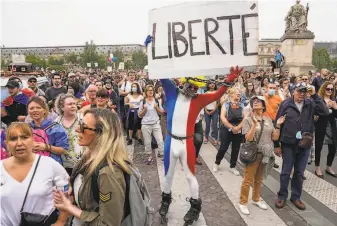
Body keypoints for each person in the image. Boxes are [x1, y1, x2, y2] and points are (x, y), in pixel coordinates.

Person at [53, 108, 131, 226]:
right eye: (79, 124)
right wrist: (73, 194)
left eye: (83, 127)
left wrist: (70, 208)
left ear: (102, 134)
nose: (77, 129)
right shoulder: (87, 157)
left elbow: (108, 223)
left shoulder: (108, 173)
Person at [0, 122, 69, 226]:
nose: (19, 143)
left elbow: (67, 194)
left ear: (33, 140)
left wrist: (61, 221)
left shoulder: (49, 164)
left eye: (24, 137)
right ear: (7, 144)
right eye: (13, 139)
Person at [274, 82, 329, 210]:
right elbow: (277, 122)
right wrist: (276, 144)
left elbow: (325, 111)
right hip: (288, 144)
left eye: (304, 91)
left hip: (305, 144)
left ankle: (296, 197)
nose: (302, 94)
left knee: (299, 173)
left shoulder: (311, 103)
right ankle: (282, 196)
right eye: (299, 91)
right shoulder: (286, 104)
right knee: (286, 172)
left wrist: (315, 94)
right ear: (293, 91)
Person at [239, 96, 285, 215]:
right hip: (254, 153)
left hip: (265, 154)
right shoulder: (248, 120)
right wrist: (254, 125)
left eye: (258, 101)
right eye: (253, 101)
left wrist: (278, 125)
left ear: (263, 106)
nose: (255, 102)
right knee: (248, 179)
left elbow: (274, 137)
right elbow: (248, 138)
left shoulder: (268, 119)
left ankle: (256, 199)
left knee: (259, 179)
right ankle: (242, 202)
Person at [214, 88, 246, 176]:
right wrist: (232, 127)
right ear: (231, 94)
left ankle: (232, 166)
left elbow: (245, 118)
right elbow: (223, 117)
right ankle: (217, 163)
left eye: (240, 93)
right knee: (223, 147)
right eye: (237, 92)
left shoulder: (242, 105)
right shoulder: (226, 104)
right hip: (226, 129)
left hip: (238, 129)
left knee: (236, 149)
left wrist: (238, 128)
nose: (239, 94)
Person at [28, 96, 69, 165]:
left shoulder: (55, 128)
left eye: (38, 108)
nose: (35, 110)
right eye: (31, 108)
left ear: (44, 110)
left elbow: (63, 150)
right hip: (32, 165)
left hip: (52, 165)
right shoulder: (26, 128)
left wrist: (46, 147)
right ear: (28, 111)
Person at [55, 94, 83, 176]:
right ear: (62, 107)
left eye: (74, 104)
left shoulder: (83, 119)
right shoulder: (56, 123)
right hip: (64, 166)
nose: (73, 106)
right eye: (70, 104)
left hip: (83, 164)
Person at [314, 82, 337, 178]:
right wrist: (326, 107)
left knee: (333, 147)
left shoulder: (333, 100)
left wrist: (335, 108)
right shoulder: (319, 100)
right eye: (328, 89)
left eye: (332, 89)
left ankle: (328, 166)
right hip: (321, 125)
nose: (330, 91)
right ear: (323, 89)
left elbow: (335, 116)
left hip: (331, 126)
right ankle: (317, 167)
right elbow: (316, 113)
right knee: (318, 147)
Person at [138, 85, 165, 164]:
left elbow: (162, 113)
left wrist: (156, 108)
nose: (150, 92)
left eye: (152, 90)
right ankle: (149, 157)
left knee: (160, 140)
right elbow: (139, 115)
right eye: (148, 90)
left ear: (153, 92)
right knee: (147, 142)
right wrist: (144, 109)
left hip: (156, 123)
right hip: (145, 125)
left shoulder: (157, 101)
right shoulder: (142, 102)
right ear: (146, 92)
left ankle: (162, 154)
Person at [204, 80, 220, 145]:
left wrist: (214, 110)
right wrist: (206, 110)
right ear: (208, 85)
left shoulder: (217, 92)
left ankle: (216, 139)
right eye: (210, 83)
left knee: (215, 125)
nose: (212, 84)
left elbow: (218, 102)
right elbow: (204, 102)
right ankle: (206, 137)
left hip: (214, 111)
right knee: (207, 125)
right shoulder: (206, 93)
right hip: (207, 110)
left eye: (213, 83)